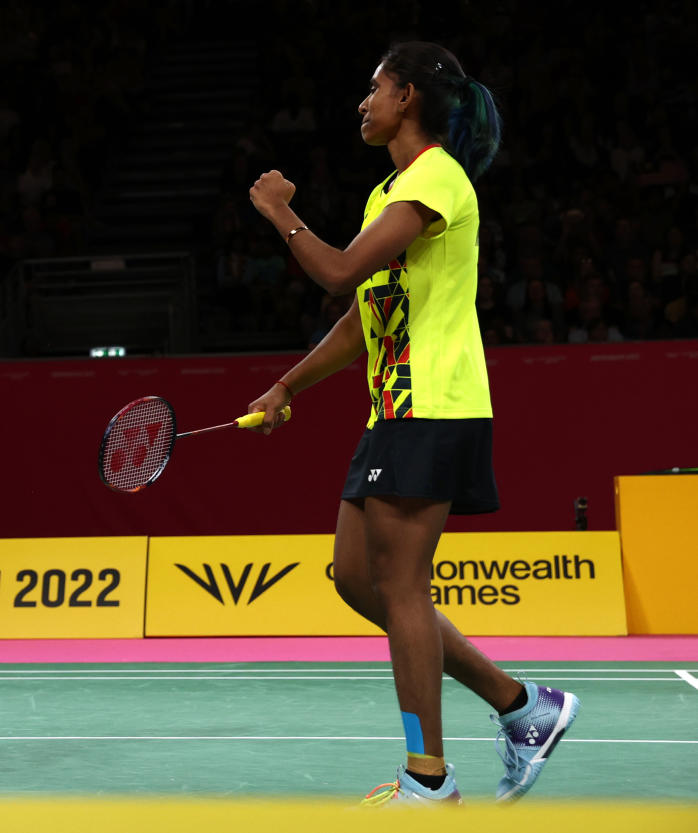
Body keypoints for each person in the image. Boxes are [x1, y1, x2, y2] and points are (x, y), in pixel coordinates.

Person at [245, 42, 579, 804]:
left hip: (436, 403)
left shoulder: (437, 179)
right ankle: (524, 705)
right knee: (359, 579)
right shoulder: (387, 194)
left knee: (401, 585)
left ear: (408, 98)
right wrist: (286, 384)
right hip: (393, 407)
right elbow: (365, 318)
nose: (363, 102)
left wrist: (278, 210)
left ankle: (428, 778)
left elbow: (335, 273)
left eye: (374, 88)